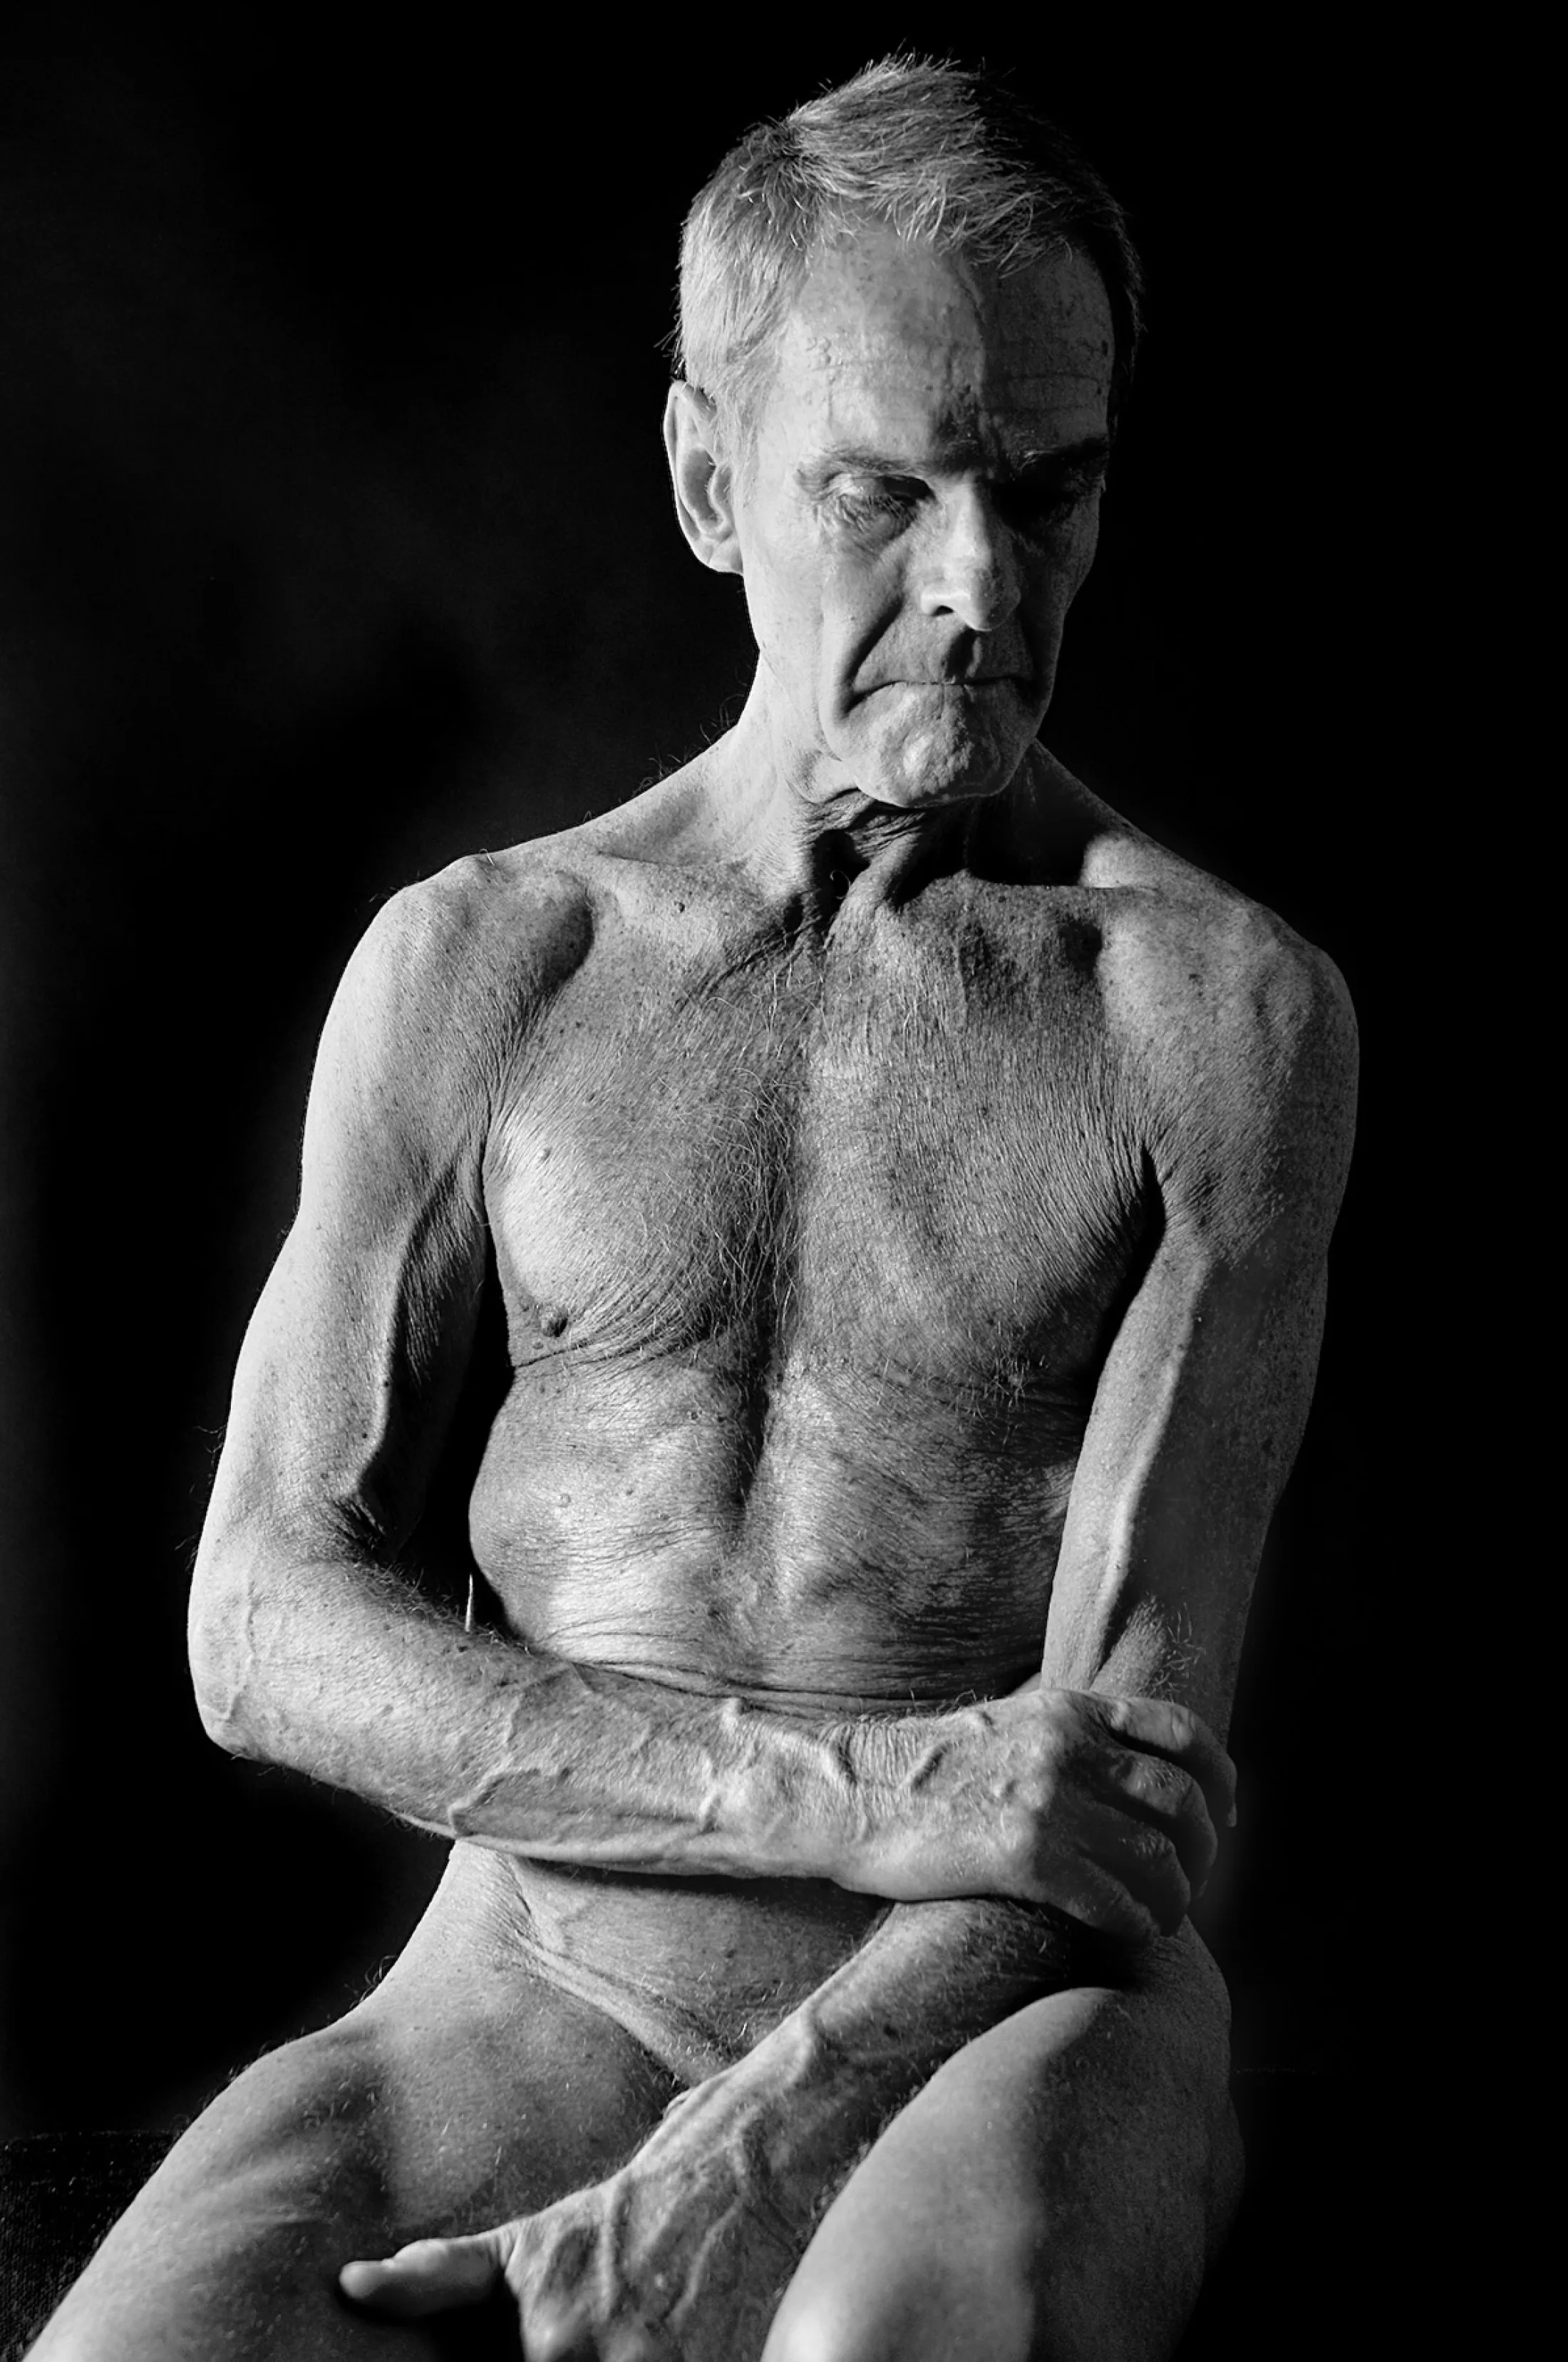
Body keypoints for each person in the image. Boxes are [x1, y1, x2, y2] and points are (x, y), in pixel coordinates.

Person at [31, 56, 1356, 2362]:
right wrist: (838, 1791)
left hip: (1014, 2015)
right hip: (536, 1976)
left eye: (1048, 491)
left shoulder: (1217, 1019)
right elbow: (258, 1626)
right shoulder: (488, 965)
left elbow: (1124, 1796)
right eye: (886, 490)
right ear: (708, 482)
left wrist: (754, 2154)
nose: (980, 587)